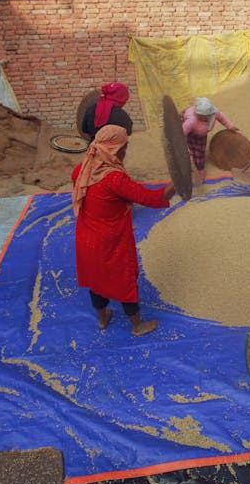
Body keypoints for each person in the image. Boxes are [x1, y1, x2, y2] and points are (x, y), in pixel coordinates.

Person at [71, 125, 176, 335]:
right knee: (124, 281)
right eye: (124, 146)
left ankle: (102, 319)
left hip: (86, 238)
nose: (126, 151)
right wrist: (179, 181)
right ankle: (137, 325)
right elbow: (152, 198)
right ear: (115, 148)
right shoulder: (114, 179)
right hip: (110, 241)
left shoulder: (83, 168)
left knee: (96, 279)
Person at [181, 97, 238, 182]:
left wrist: (230, 126)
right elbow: (181, 135)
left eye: (207, 116)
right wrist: (184, 148)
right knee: (189, 150)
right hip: (189, 131)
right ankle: (197, 168)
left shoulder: (214, 113)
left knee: (199, 153)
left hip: (200, 135)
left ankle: (200, 168)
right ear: (197, 114)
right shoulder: (191, 121)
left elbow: (222, 117)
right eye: (202, 116)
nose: (205, 118)